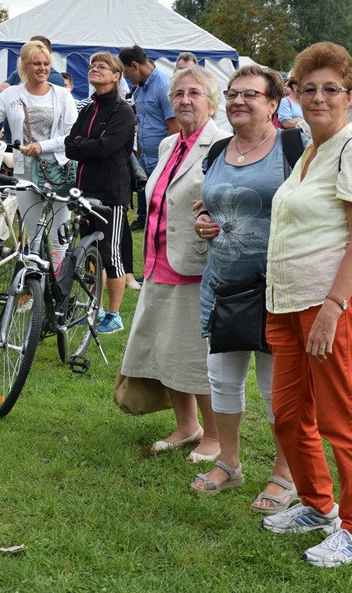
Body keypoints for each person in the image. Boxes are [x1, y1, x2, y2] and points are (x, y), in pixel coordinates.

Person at [261, 42, 352, 568]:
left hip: (331, 301)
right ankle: (317, 505)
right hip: (287, 302)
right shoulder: (310, 149)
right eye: (308, 88)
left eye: (330, 88)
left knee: (343, 419)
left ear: (351, 93)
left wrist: (333, 307)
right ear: (293, 93)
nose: (318, 97)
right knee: (289, 415)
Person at [190, 65, 296, 514]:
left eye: (250, 94)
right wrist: (203, 224)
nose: (238, 101)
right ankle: (229, 465)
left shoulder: (294, 146)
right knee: (222, 378)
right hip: (223, 285)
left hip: (277, 287)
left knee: (278, 389)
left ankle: (286, 475)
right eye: (232, 94)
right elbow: (210, 205)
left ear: (273, 103)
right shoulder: (216, 150)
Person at [120, 65, 229, 464]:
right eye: (179, 93)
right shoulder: (168, 145)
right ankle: (187, 426)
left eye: (195, 93)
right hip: (158, 260)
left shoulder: (221, 145)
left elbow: (231, 205)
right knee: (168, 348)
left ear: (212, 102)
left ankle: (215, 436)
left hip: (197, 266)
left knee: (196, 355)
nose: (185, 99)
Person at [0, 40, 77, 261]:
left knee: (58, 236)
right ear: (24, 66)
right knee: (33, 236)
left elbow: (72, 137)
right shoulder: (11, 94)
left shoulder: (62, 95)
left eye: (46, 63)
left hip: (58, 171)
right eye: (36, 63)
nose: (42, 68)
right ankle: (35, 286)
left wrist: (42, 146)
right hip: (25, 171)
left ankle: (59, 286)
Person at [64, 51, 135, 334]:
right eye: (92, 65)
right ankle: (96, 307)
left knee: (110, 253)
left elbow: (107, 147)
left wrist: (86, 145)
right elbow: (70, 145)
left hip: (110, 195)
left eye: (102, 66)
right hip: (84, 192)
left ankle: (114, 315)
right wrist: (87, 144)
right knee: (88, 251)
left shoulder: (122, 111)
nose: (95, 69)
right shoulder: (88, 108)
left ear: (116, 76)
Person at [120, 45, 178, 230]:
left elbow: (175, 127)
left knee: (158, 196)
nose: (125, 77)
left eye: (126, 71)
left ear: (135, 65)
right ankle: (142, 219)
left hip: (160, 156)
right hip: (145, 154)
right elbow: (141, 122)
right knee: (143, 190)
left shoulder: (163, 86)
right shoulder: (139, 90)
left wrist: (166, 159)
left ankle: (157, 224)